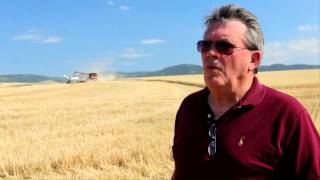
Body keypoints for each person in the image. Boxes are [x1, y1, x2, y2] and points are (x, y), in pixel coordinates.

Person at [172, 4, 320, 180]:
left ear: (254, 59)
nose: (210, 53)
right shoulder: (189, 107)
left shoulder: (287, 114)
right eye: (204, 45)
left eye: (223, 46)